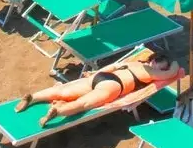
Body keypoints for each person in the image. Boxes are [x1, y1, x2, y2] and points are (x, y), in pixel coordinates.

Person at [16, 52, 184, 127]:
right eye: (160, 66)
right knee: (83, 104)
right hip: (115, 85)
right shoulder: (151, 72)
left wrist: (94, 73)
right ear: (155, 64)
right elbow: (172, 72)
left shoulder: (134, 63)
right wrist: (174, 63)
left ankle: (34, 97)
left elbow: (113, 66)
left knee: (63, 92)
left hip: (101, 76)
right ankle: (58, 112)